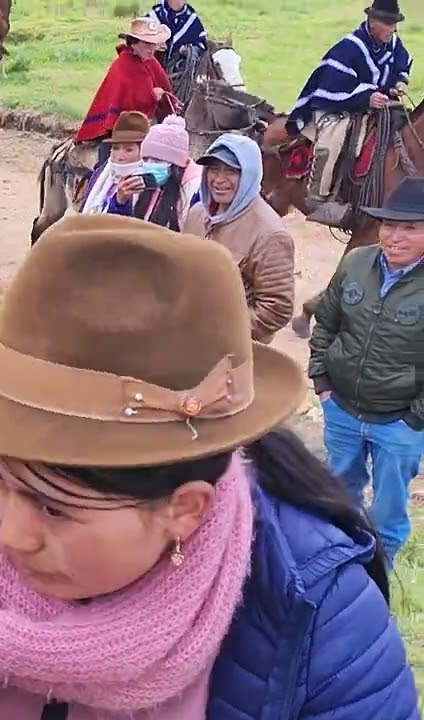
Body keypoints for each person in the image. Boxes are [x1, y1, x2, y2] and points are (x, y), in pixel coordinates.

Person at [0, 214, 419, 720]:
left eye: (55, 506)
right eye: (2, 479)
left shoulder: (315, 611)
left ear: (185, 510)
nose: (9, 532)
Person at [310, 177, 424, 566]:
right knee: (339, 496)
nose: (395, 236)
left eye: (410, 228)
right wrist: (322, 382)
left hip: (399, 423)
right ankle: (337, 566)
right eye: (389, 224)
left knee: (389, 514)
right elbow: (326, 322)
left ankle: (379, 580)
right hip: (341, 407)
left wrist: (415, 417)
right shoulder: (357, 263)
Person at [280, 0, 411, 222]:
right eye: (388, 23)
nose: (393, 29)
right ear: (372, 22)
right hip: (341, 106)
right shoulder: (349, 47)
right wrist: (367, 97)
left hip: (380, 106)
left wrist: (399, 82)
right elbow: (334, 82)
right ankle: (320, 196)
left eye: (395, 23)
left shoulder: (393, 43)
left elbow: (402, 63)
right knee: (335, 136)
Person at [185, 134, 295, 344]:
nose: (219, 179)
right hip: (187, 338)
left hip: (231, 351)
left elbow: (276, 310)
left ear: (249, 174)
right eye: (214, 169)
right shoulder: (197, 214)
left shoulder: (270, 234)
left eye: (231, 171)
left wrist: (220, 329)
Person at [75, 17, 174, 166]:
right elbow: (126, 100)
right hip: (121, 126)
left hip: (149, 121)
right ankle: (100, 179)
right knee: (107, 160)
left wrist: (163, 98)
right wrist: (152, 96)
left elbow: (165, 87)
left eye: (153, 43)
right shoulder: (122, 66)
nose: (151, 48)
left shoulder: (151, 62)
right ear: (134, 42)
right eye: (147, 43)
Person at [106, 115, 202, 230]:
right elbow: (116, 230)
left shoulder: (193, 189)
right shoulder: (139, 181)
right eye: (146, 159)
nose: (150, 165)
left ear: (176, 164)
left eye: (157, 160)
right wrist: (120, 202)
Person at [80, 110, 149, 215]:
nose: (120, 156)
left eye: (128, 150)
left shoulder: (147, 181)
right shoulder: (101, 173)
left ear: (142, 151)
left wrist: (120, 203)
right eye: (115, 148)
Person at [146, 0, 206, 69]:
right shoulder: (152, 17)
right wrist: (153, 45)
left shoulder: (193, 21)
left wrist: (189, 50)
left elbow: (202, 46)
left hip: (181, 74)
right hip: (151, 71)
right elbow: (137, 44)